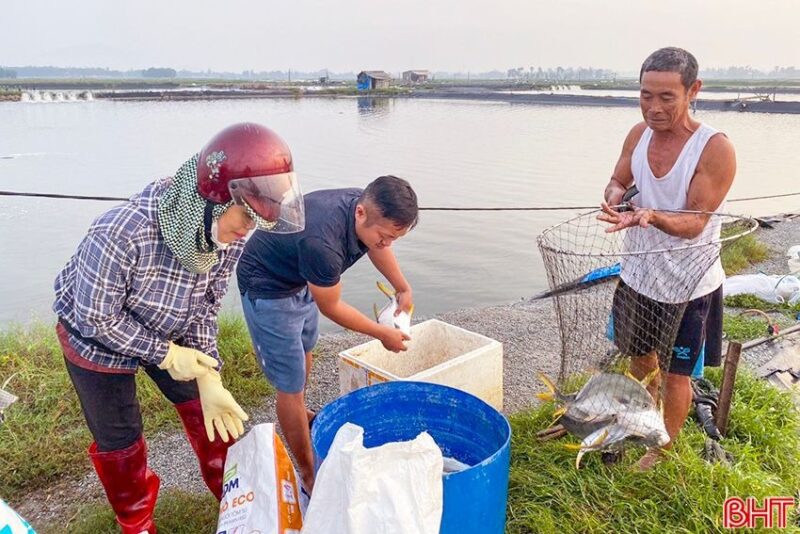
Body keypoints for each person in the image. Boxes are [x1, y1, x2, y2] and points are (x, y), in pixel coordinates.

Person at [53, 122, 305, 533]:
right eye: (245, 216)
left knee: (211, 415)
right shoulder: (122, 231)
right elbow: (95, 317)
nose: (247, 229)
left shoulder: (229, 233)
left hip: (170, 325)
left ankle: (236, 504)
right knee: (120, 438)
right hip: (94, 337)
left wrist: (209, 374)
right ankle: (136, 523)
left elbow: (205, 307)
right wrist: (168, 355)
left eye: (256, 221)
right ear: (212, 198)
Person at [598, 47, 735, 470]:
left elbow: (695, 222)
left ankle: (662, 448)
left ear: (693, 90)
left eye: (666, 97)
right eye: (645, 95)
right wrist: (617, 197)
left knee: (678, 374)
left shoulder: (713, 148)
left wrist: (652, 216)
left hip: (687, 283)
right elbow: (617, 179)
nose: (653, 108)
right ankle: (642, 421)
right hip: (639, 274)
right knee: (641, 359)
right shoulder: (638, 134)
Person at [236, 175, 418, 492]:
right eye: (384, 236)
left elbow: (375, 245)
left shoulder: (362, 207)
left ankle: (301, 413)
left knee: (306, 349)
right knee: (289, 385)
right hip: (268, 287)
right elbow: (331, 307)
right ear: (360, 212)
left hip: (302, 277)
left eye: (393, 239)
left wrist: (402, 286)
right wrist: (381, 334)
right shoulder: (322, 243)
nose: (386, 244)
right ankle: (308, 473)